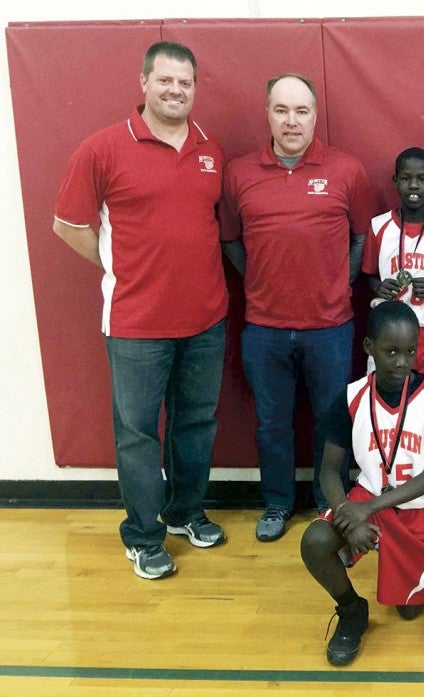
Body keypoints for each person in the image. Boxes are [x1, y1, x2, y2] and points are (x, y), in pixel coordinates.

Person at [52, 41, 227, 580]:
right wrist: (119, 267)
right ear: (144, 83)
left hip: (206, 320)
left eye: (186, 82)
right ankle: (144, 536)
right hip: (135, 326)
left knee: (195, 423)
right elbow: (68, 226)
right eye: (166, 80)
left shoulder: (208, 148)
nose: (176, 90)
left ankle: (185, 513)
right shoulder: (102, 148)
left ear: (196, 88)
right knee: (137, 434)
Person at [220, 73, 376, 542]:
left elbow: (360, 238)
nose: (292, 121)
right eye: (282, 110)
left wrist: (333, 282)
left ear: (314, 116)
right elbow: (231, 241)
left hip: (330, 326)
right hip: (264, 328)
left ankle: (330, 502)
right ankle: (276, 502)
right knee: (272, 421)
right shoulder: (238, 173)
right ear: (267, 112)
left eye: (302, 111)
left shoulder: (346, 169)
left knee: (332, 419)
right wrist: (267, 282)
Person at [299, 301, 424, 666]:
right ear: (369, 348)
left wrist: (364, 511)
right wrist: (345, 515)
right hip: (367, 496)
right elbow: (328, 470)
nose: (402, 362)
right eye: (391, 351)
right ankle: (352, 610)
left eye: (410, 351)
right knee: (316, 540)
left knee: (408, 612)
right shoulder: (351, 398)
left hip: (419, 507)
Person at [363, 147, 424, 386]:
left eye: (421, 179)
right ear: (395, 182)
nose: (413, 185)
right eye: (406, 179)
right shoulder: (379, 225)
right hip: (389, 331)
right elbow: (367, 276)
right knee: (386, 398)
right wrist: (378, 287)